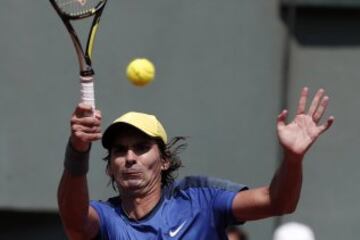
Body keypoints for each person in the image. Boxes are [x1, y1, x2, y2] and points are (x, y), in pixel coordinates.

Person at [58, 87, 334, 240]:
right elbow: (74, 220)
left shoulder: (200, 200)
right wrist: (78, 149)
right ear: (109, 167)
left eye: (142, 148)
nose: (130, 158)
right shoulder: (105, 219)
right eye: (120, 151)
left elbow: (278, 202)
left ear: (164, 161)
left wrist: (293, 159)